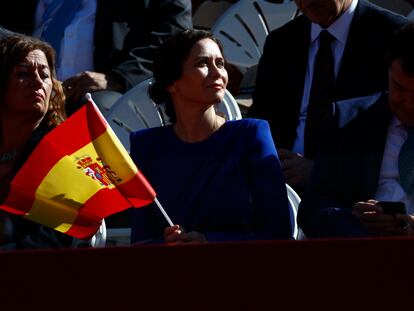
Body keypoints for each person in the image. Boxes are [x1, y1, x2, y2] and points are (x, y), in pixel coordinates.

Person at [129, 29, 293, 244]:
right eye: (202, 64)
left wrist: (210, 241)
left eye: (221, 64)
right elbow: (140, 241)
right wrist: (166, 243)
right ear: (171, 82)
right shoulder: (147, 146)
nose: (218, 73)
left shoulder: (251, 135)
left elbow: (279, 231)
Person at [248, 0, 408, 194]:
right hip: (282, 184)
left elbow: (396, 132)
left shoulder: (392, 36)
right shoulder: (281, 41)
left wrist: (321, 171)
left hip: (359, 192)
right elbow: (260, 118)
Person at [298, 22, 414, 238]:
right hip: (364, 258)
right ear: (388, 70)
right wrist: (357, 222)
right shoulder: (348, 121)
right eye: (399, 88)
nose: (408, 104)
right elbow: (312, 210)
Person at [0, 0, 193, 114]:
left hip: (99, 97)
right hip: (23, 90)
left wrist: (118, 78)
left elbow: (176, 33)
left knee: (101, 110)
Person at [0, 34, 74, 249]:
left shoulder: (62, 151)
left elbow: (55, 238)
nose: (38, 82)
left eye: (44, 75)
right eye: (23, 73)